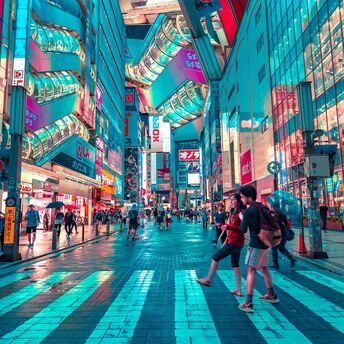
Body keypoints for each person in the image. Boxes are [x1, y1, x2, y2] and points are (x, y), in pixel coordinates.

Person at [239, 185, 279, 313]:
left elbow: (243, 229)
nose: (241, 199)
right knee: (264, 268)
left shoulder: (249, 211)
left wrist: (241, 217)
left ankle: (248, 303)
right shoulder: (261, 206)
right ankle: (271, 295)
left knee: (251, 271)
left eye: (242, 197)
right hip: (266, 243)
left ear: (249, 197)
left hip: (256, 244)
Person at [197, 194, 245, 295]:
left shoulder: (240, 213)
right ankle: (238, 290)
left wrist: (228, 227)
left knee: (215, 258)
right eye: (231, 200)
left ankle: (208, 279)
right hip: (236, 241)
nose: (231, 202)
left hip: (235, 242)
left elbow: (243, 228)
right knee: (235, 265)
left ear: (239, 201)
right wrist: (227, 228)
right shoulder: (234, 212)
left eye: (233, 200)